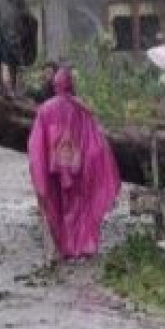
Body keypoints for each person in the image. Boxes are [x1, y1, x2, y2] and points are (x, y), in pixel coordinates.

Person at [27, 68, 121, 264]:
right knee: (79, 206)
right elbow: (94, 141)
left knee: (60, 206)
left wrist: (40, 170)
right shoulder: (81, 109)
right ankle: (82, 245)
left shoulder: (46, 109)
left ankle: (66, 247)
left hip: (55, 168)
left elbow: (36, 145)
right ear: (71, 84)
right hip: (77, 167)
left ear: (55, 85)